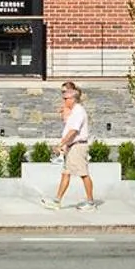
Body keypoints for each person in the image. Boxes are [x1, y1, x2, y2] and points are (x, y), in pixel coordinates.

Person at [44, 82, 97, 210]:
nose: (63, 100)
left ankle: (90, 203)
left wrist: (61, 144)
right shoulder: (74, 111)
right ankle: (57, 201)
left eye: (65, 98)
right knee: (65, 173)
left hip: (78, 147)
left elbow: (73, 131)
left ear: (72, 99)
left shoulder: (78, 111)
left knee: (84, 174)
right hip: (72, 147)